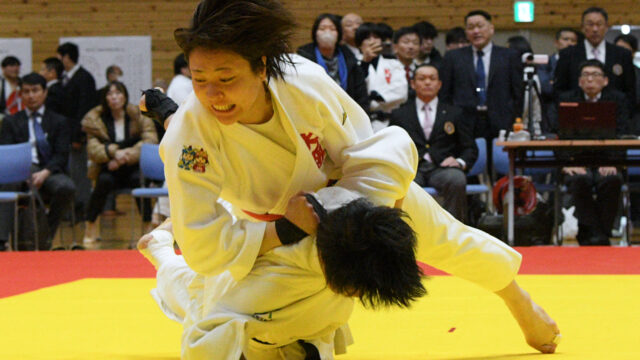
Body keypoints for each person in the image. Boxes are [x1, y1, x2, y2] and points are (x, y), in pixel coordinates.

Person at [141, 0, 559, 356]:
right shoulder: (187, 139)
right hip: (266, 233)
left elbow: (366, 152)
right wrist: (287, 229)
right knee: (220, 314)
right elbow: (202, 246)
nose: (213, 95)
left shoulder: (303, 82)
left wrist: (371, 211)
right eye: (199, 81)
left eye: (226, 79)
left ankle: (517, 300)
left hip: (354, 195)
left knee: (447, 237)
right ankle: (162, 252)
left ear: (261, 66)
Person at [138, 186, 426, 358]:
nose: (358, 295)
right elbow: (201, 339)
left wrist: (396, 195)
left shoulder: (360, 201)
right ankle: (161, 248)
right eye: (359, 289)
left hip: (300, 249)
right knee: (197, 292)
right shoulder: (271, 278)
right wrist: (281, 231)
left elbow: (399, 147)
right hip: (239, 234)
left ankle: (160, 247)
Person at [554, 59, 630, 246]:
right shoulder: (567, 99)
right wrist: (568, 163)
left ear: (605, 80)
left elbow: (623, 134)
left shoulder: (618, 100)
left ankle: (598, 233)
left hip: (608, 159)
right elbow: (558, 136)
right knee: (581, 180)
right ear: (579, 81)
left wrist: (613, 162)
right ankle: (594, 234)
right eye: (585, 75)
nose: (590, 80)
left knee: (611, 180)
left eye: (595, 75)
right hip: (576, 160)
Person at [390, 64, 477, 222]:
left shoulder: (454, 113)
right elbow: (391, 147)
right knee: (403, 182)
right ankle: (408, 233)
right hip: (413, 169)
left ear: (439, 84)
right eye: (422, 79)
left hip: (442, 168)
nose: (427, 82)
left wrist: (459, 161)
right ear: (413, 84)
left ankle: (454, 232)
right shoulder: (400, 114)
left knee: (456, 179)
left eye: (432, 78)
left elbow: (470, 148)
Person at [0, 73, 75, 250]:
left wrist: (45, 172)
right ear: (21, 95)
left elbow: (62, 154)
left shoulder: (59, 121)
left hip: (49, 171)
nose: (31, 96)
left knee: (67, 187)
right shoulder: (11, 121)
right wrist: (22, 171)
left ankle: (45, 234)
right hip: (20, 173)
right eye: (26, 91)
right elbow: (6, 152)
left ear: (45, 92)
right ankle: (2, 241)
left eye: (35, 91)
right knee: (6, 185)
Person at [81, 81, 157, 244]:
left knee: (140, 181)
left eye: (118, 93)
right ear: (105, 98)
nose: (114, 97)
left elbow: (150, 139)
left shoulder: (137, 114)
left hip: (132, 165)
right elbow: (93, 148)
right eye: (110, 94)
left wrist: (126, 156)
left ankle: (147, 226)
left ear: (124, 96)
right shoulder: (95, 119)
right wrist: (114, 152)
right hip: (108, 166)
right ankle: (91, 224)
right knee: (103, 181)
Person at [439, 10, 522, 142]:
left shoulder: (509, 56)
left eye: (480, 26)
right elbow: (445, 93)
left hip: (501, 119)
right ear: (466, 32)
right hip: (464, 121)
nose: (476, 31)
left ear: (491, 29)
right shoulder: (453, 57)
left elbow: (518, 92)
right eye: (471, 27)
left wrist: (514, 117)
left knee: (500, 160)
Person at [554, 7, 636, 108]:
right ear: (582, 27)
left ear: (606, 27)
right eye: (590, 24)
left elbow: (630, 90)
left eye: (599, 24)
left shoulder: (622, 54)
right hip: (576, 113)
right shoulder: (567, 54)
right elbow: (559, 89)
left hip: (614, 114)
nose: (595, 29)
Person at [57, 42, 98, 220]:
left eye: (60, 57)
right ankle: (71, 209)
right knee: (71, 172)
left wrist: (78, 136)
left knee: (80, 173)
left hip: (77, 135)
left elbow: (84, 109)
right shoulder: (65, 78)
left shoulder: (84, 78)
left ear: (66, 57)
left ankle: (82, 209)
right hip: (65, 134)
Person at [297, 13, 368, 110]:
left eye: (332, 29)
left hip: (346, 111)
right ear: (315, 33)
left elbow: (360, 93)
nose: (327, 32)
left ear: (339, 34)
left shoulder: (349, 56)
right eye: (322, 29)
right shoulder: (304, 56)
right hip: (314, 110)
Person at [356, 22, 407, 130]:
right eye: (367, 38)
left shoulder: (393, 64)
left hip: (392, 120)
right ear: (360, 45)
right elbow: (355, 92)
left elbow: (402, 92)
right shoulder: (354, 65)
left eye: (376, 37)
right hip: (363, 121)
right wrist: (365, 62)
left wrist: (376, 96)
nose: (372, 41)